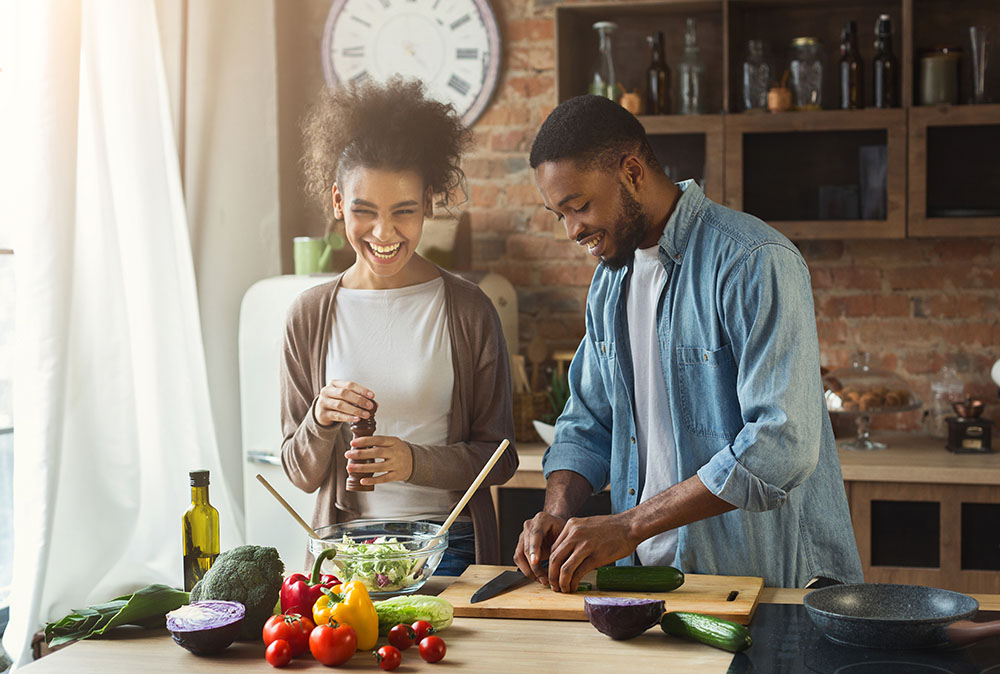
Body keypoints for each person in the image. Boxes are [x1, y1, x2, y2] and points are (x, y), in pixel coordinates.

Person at [514, 95, 863, 591]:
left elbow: (781, 444)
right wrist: (556, 512)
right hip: (646, 580)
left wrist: (629, 525)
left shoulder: (753, 261)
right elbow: (587, 420)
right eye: (558, 215)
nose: (573, 231)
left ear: (632, 171)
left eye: (581, 206)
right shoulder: (610, 282)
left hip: (762, 582)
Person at [280, 78, 517, 576]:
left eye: (403, 212)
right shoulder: (308, 316)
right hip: (345, 554)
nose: (384, 234)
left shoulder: (470, 310)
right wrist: (320, 420)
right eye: (364, 211)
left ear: (429, 202)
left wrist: (415, 462)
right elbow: (299, 473)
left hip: (448, 548)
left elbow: (502, 458)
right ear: (339, 201)